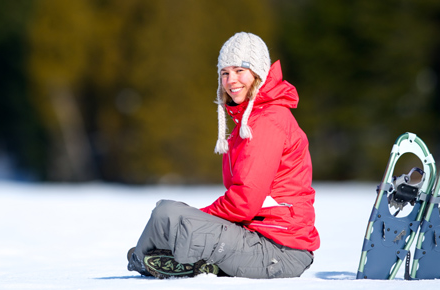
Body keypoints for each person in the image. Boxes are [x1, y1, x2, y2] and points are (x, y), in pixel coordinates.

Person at [126, 32, 319, 279]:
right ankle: (158, 259)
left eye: (240, 70)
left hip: (279, 251)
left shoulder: (268, 121)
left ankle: (143, 261)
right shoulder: (251, 121)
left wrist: (198, 219)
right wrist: (197, 221)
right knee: (169, 215)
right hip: (259, 239)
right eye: (225, 73)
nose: (231, 80)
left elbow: (244, 202)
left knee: (168, 216)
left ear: (258, 74)